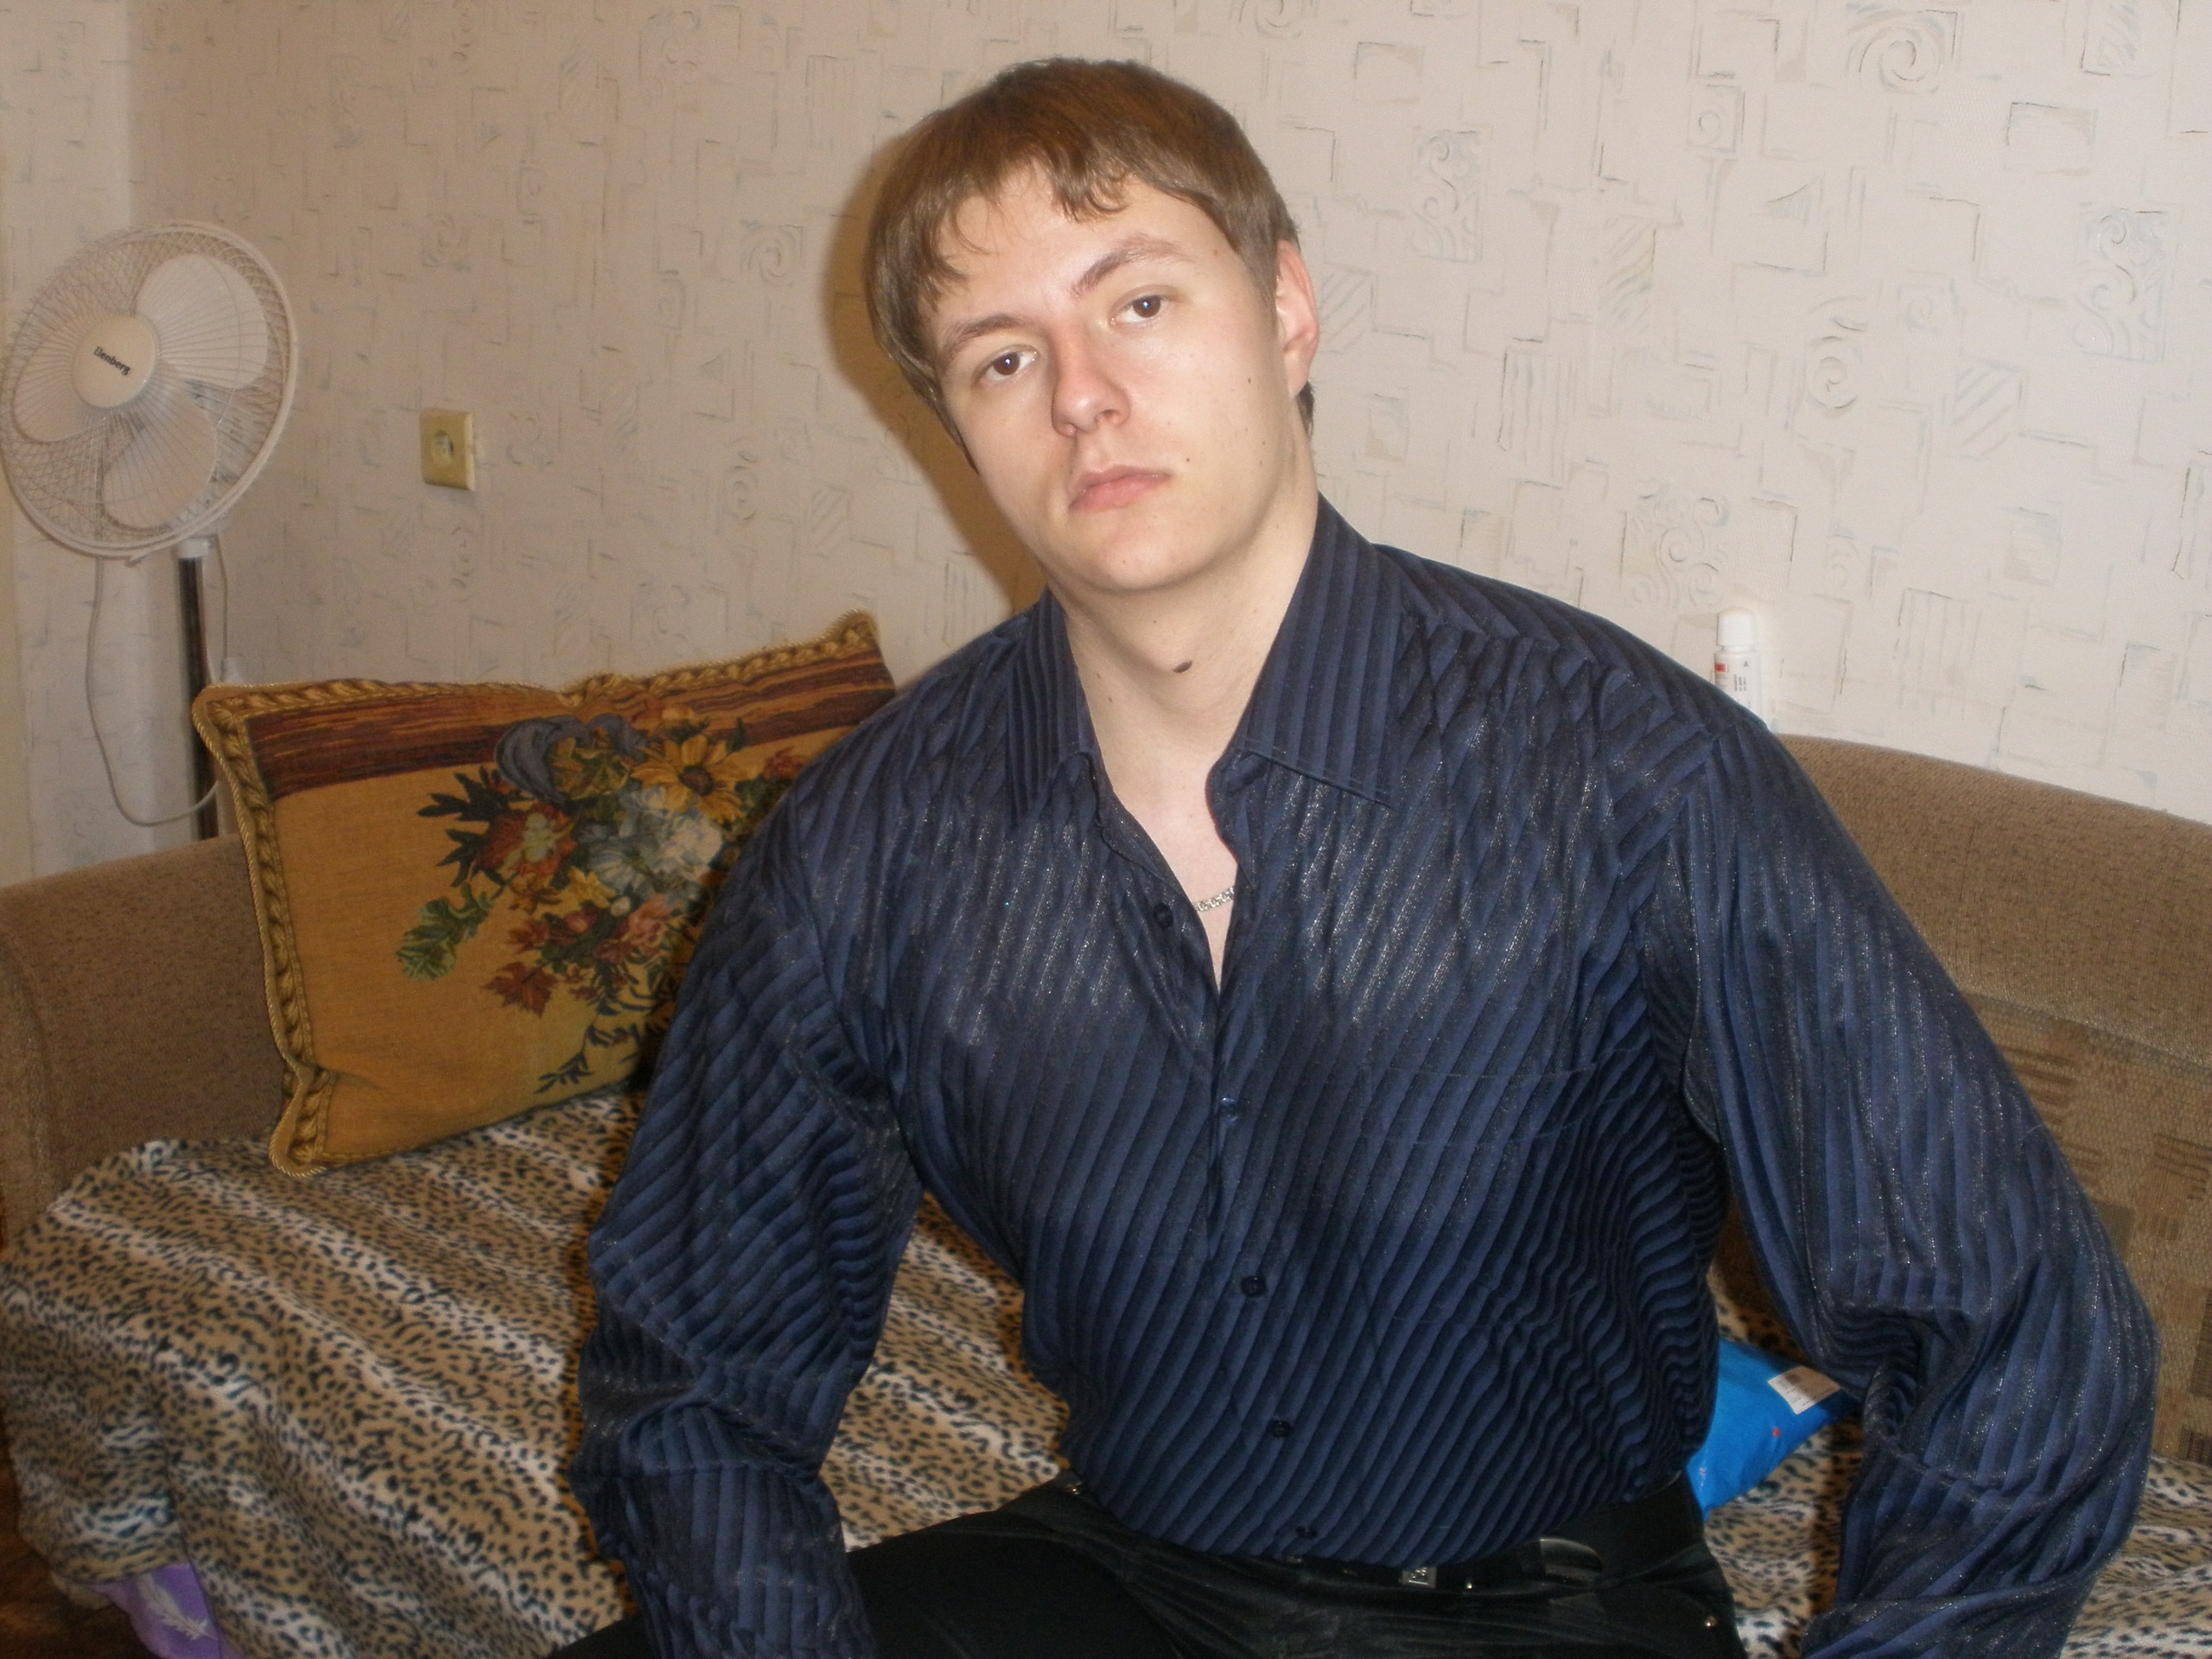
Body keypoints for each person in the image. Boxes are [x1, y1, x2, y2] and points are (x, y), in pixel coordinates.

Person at [560, 57, 2154, 1659]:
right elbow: (694, 1374)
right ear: (957, 427)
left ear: (1286, 311)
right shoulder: (862, 849)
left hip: (1554, 1604)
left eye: (1139, 304)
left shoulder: (1626, 770)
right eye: (1003, 356)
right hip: (1133, 1573)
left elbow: (2015, 1332)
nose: (1081, 396)